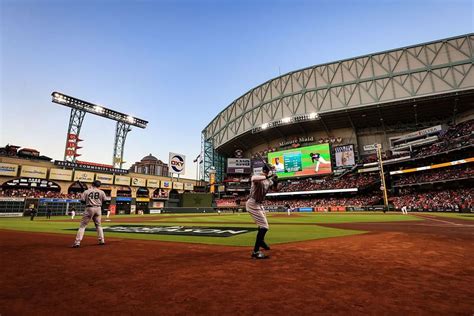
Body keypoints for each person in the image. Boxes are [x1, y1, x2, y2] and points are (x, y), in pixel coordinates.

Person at [246, 165, 278, 259]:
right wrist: (268, 176)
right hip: (252, 203)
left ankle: (261, 242)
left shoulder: (268, 180)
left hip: (259, 204)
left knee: (262, 225)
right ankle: (255, 252)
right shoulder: (258, 177)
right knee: (264, 226)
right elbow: (253, 178)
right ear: (266, 171)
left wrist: (276, 181)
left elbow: (275, 189)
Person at [72, 180, 107, 248]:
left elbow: (82, 201)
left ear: (92, 184)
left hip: (89, 208)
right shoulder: (101, 192)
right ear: (99, 185)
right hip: (98, 208)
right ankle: (101, 240)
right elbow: (105, 201)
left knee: (82, 226)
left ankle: (77, 242)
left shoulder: (86, 191)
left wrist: (88, 201)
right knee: (98, 225)